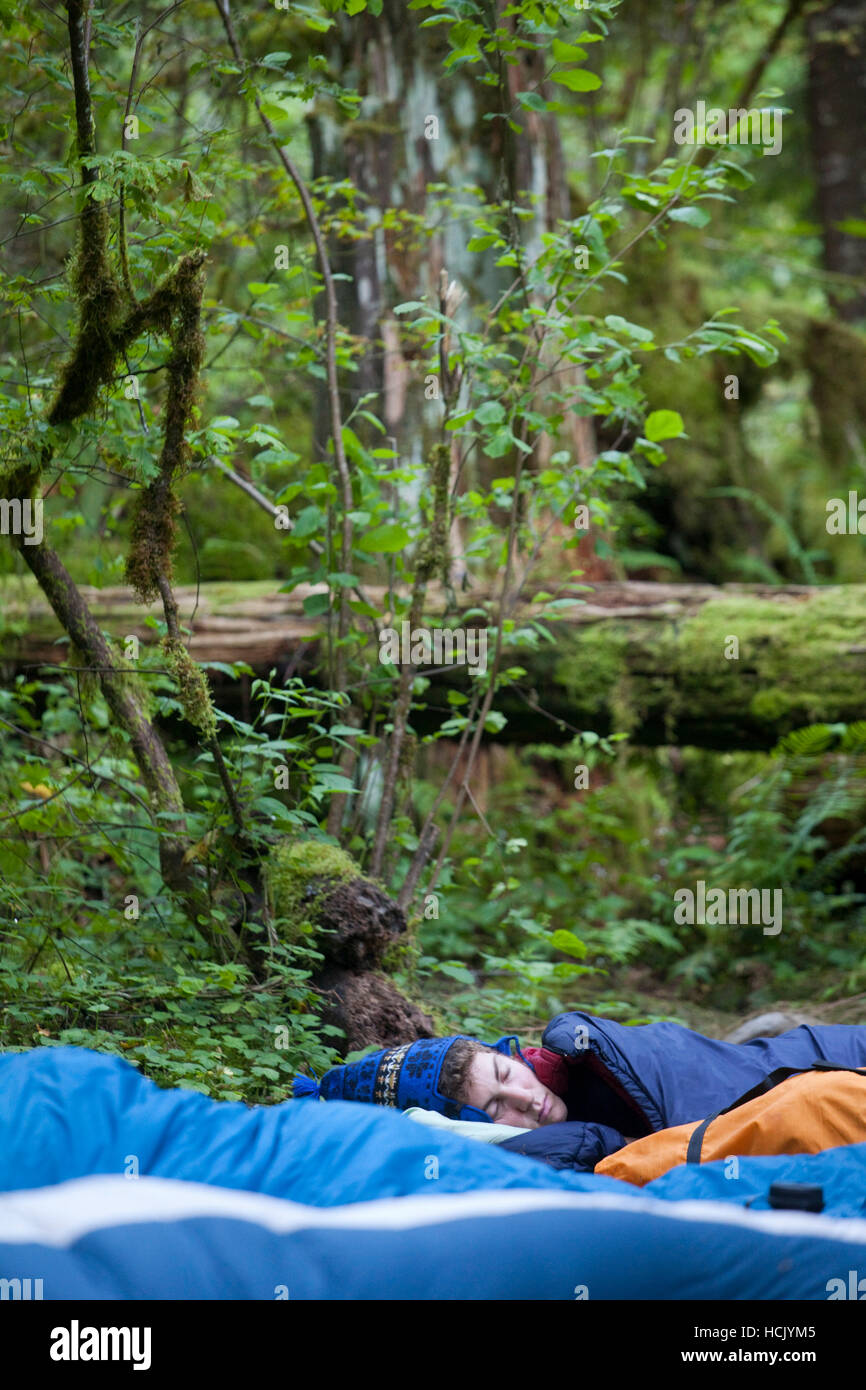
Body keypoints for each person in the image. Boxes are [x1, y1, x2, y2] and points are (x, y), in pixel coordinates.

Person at [294, 1009, 866, 1171]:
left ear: (506, 1053)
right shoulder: (563, 1145)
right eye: (495, 1109)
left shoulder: (581, 1051)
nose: (524, 1099)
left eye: (504, 1077)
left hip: (820, 1052)